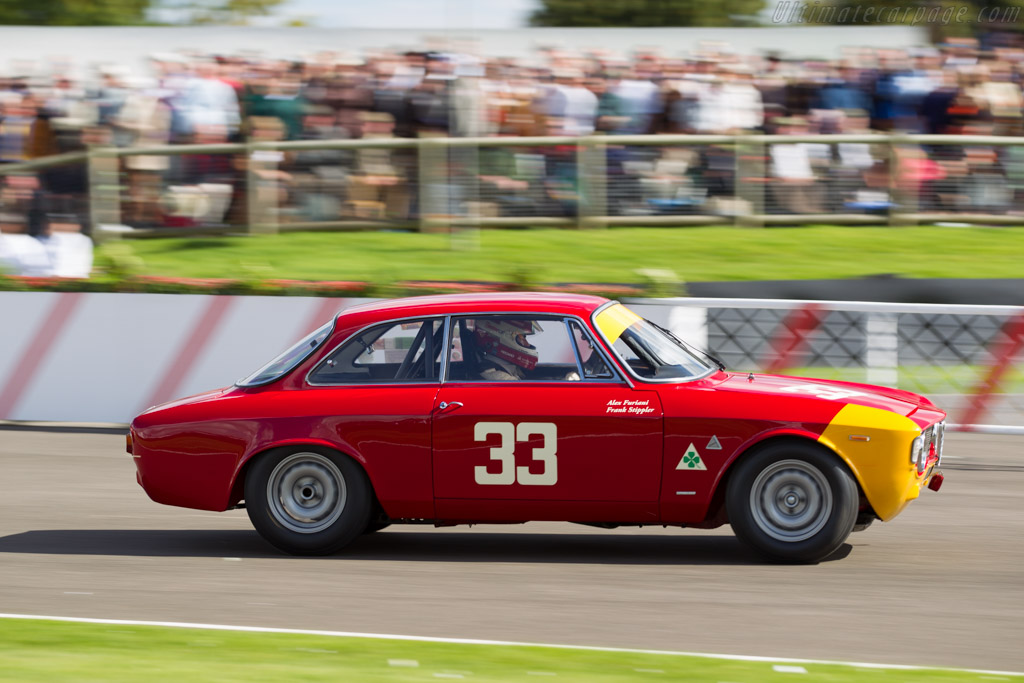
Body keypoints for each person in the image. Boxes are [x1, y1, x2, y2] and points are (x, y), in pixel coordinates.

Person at [473, 319, 541, 381]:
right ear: (505, 339)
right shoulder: (498, 377)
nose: (528, 344)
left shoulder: (507, 367)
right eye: (521, 338)